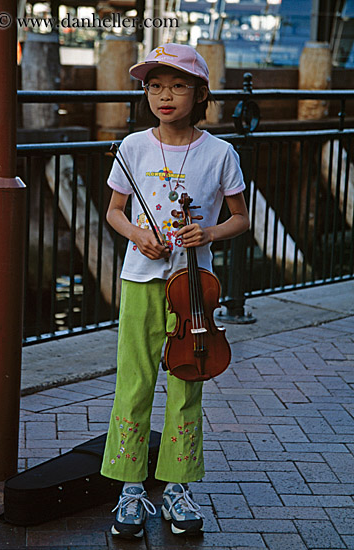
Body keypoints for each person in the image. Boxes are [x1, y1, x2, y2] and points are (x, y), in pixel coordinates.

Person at [100, 43, 250, 539]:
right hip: (142, 280)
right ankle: (129, 487)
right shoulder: (133, 147)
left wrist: (207, 233)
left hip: (194, 287)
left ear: (200, 93)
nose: (165, 96)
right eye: (155, 85)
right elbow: (115, 211)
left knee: (188, 379)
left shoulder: (220, 153)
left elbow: (240, 219)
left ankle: (178, 483)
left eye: (178, 85)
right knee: (135, 380)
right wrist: (139, 234)